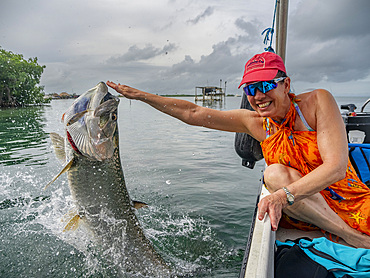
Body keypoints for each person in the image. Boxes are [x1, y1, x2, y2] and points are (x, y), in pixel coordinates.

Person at [107, 52, 370, 249]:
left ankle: (349, 232)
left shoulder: (317, 102)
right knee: (273, 174)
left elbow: (335, 168)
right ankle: (349, 236)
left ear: (286, 85)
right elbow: (194, 112)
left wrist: (281, 197)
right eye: (250, 89)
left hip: (346, 198)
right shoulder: (257, 124)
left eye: (266, 86)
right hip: (309, 211)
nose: (258, 96)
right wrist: (143, 96)